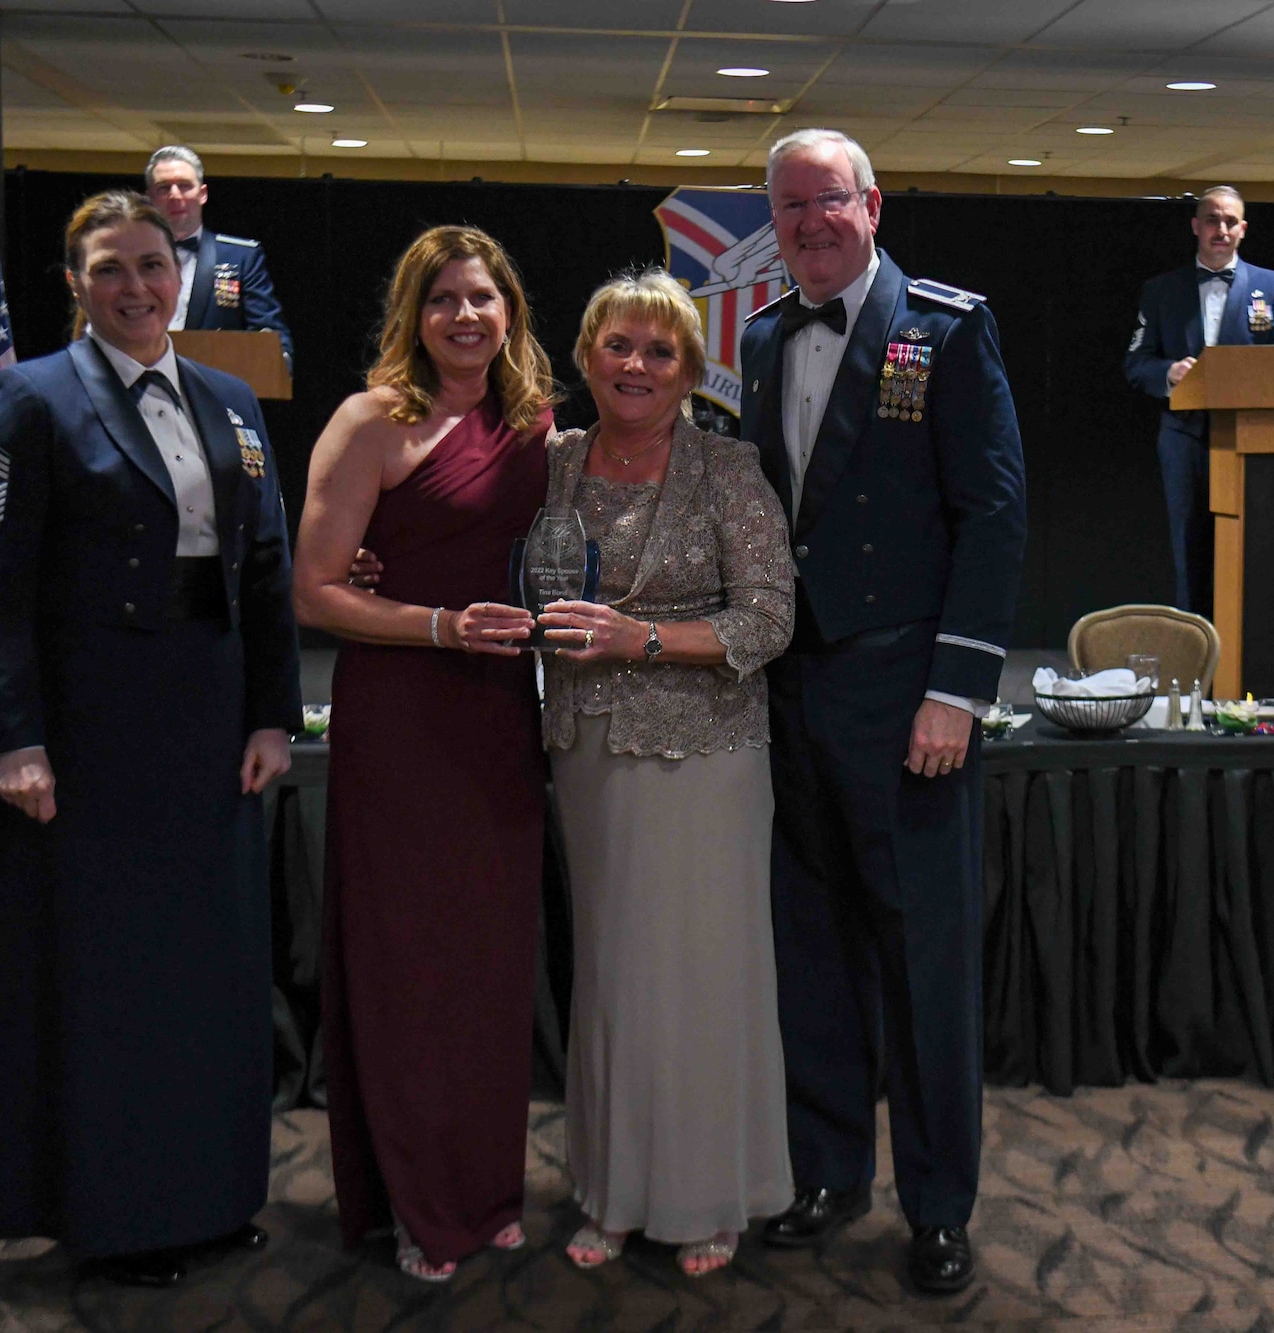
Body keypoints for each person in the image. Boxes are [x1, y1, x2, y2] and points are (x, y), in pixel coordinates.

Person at [0, 190, 301, 1288]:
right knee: (114, 987)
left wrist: (270, 712)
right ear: (76, 282)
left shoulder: (231, 397)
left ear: (180, 274)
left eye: (153, 264)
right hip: (91, 735)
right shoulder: (32, 397)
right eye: (111, 268)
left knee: (210, 977)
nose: (137, 286)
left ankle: (206, 1198)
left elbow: (265, 572)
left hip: (207, 726)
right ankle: (118, 1219)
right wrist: (15, 738)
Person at [737, 128, 1028, 1296]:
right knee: (808, 948)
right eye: (788, 209)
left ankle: (939, 1204)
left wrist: (955, 689)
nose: (806, 224)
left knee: (922, 964)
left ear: (871, 204)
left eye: (825, 202)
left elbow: (993, 514)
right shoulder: (760, 337)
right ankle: (827, 1172)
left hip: (906, 694)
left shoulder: (945, 328)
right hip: (790, 688)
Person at [291, 226, 556, 1281]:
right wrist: (437, 623)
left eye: (482, 296)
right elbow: (314, 589)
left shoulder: (534, 424)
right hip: (399, 717)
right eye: (442, 297)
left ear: (509, 312)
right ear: (413, 314)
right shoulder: (370, 422)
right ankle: (414, 1201)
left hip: (497, 718)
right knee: (408, 968)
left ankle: (486, 1186)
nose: (464, 315)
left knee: (488, 970)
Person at [523, 269, 796, 1278]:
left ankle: (709, 1193)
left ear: (690, 370)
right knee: (612, 980)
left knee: (702, 982)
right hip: (588, 755)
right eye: (617, 346)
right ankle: (612, 1190)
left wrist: (641, 638)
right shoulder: (549, 463)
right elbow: (476, 547)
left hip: (707, 759)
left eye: (660, 351)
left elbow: (768, 621)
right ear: (586, 354)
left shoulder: (729, 470)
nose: (636, 366)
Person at [1124, 185, 1274, 614]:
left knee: (1247, 545)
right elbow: (1136, 363)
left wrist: (1246, 375)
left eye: (1229, 222)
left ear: (1243, 229)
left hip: (1249, 439)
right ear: (1195, 226)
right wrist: (1169, 373)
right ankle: (1194, 654)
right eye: (1211, 220)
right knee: (1187, 548)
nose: (1220, 230)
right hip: (1183, 438)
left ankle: (1244, 648)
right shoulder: (1161, 290)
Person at [144, 145, 294, 370]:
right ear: (150, 198)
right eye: (164, 188)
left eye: (184, 186)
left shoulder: (240, 256)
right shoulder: (128, 257)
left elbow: (268, 331)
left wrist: (278, 361)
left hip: (210, 388)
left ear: (202, 194)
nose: (175, 195)